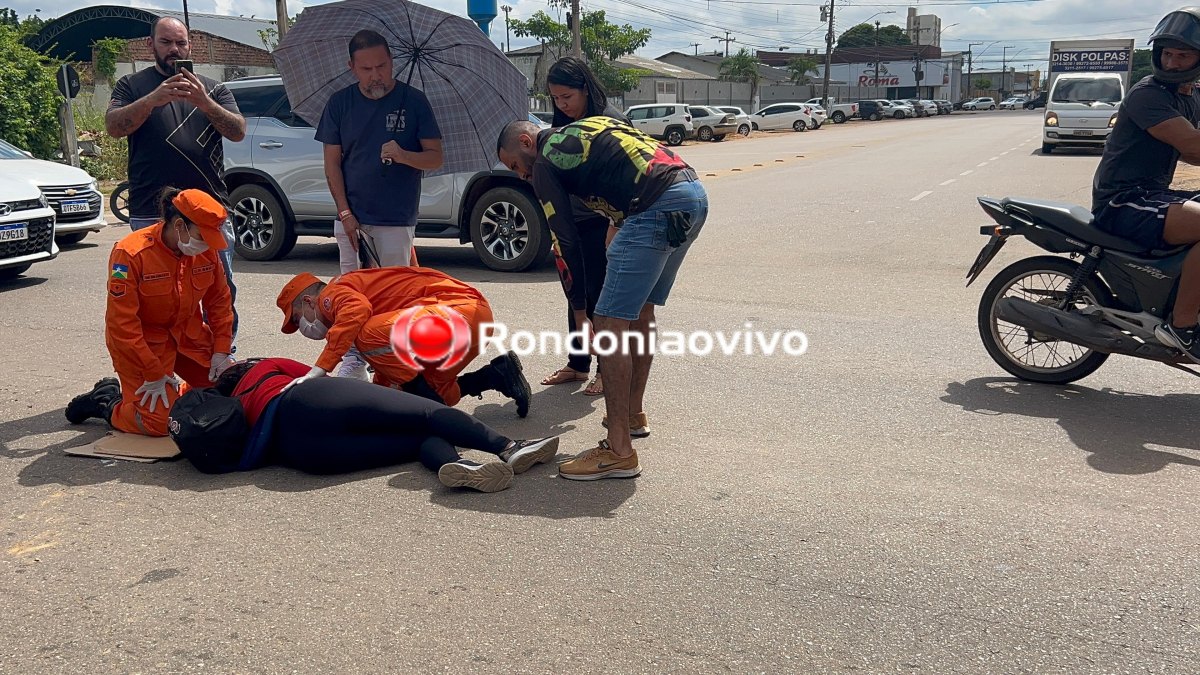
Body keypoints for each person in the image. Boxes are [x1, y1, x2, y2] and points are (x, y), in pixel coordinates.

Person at [497, 116, 708, 480]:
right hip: (691, 195)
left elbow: (564, 240)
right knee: (642, 311)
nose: (520, 176)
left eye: (515, 165)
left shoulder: (545, 161)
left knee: (609, 324)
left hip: (655, 208)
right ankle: (632, 414)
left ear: (526, 143)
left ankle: (619, 450)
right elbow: (627, 159)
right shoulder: (591, 125)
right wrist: (618, 221)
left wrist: (580, 311)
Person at [190, 358, 559, 492]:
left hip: (303, 454)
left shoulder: (240, 414)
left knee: (419, 440)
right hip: (309, 402)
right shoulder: (263, 368)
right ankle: (509, 448)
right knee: (426, 413)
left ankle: (462, 465)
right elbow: (319, 375)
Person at [105, 16, 245, 346]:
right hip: (151, 209)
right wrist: (153, 99)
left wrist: (204, 103)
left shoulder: (212, 87)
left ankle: (223, 358)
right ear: (151, 44)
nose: (174, 49)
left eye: (180, 43)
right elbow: (113, 126)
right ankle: (159, 365)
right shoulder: (132, 86)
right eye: (166, 42)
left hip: (208, 211)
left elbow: (238, 131)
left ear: (190, 46)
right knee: (152, 297)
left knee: (220, 290)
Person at [316, 28, 443, 378]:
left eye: (383, 66)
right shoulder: (339, 103)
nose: (377, 76)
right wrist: (344, 212)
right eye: (367, 69)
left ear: (392, 62)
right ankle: (355, 355)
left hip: (395, 217)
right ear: (352, 67)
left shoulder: (413, 101)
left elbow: (435, 157)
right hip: (350, 216)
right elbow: (331, 163)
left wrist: (404, 155)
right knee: (351, 293)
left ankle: (393, 360)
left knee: (393, 295)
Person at [65, 188, 236, 436]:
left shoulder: (205, 251)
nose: (208, 243)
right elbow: (122, 324)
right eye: (202, 235)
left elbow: (220, 303)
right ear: (179, 226)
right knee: (158, 424)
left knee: (230, 390)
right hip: (142, 345)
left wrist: (221, 351)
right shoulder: (130, 253)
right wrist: (153, 372)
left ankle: (176, 393)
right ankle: (107, 401)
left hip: (188, 335)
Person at [275, 267, 532, 417]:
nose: (302, 328)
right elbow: (387, 365)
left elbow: (357, 311)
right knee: (438, 393)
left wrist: (320, 369)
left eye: (298, 319)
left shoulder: (330, 296)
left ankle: (436, 418)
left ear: (309, 301)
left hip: (457, 313)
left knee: (366, 336)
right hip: (468, 318)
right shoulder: (348, 297)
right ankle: (498, 374)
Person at [1093, 9, 1200, 362]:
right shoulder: (1148, 95)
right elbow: (1193, 146)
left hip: (1154, 195)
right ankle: (1181, 327)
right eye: (1167, 53)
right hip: (1123, 201)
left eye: (1182, 54)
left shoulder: (1188, 95)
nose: (1171, 62)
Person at [539, 57, 630, 397]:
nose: (562, 105)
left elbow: (628, 176)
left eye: (568, 97)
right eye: (556, 99)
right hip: (573, 219)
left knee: (601, 299)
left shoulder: (611, 121)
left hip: (603, 222)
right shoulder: (563, 123)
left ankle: (607, 369)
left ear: (586, 89)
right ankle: (578, 365)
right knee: (574, 291)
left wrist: (615, 222)